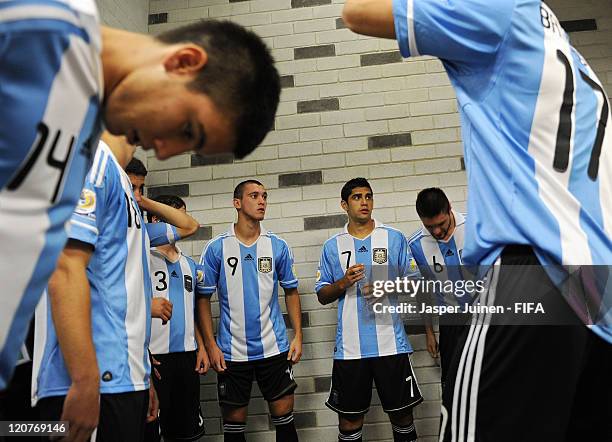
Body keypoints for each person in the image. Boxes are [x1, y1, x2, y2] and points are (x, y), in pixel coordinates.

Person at [342, 1, 612, 441]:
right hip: (599, 288)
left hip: (534, 272)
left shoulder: (501, 13)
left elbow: (356, 13)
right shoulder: (569, 56)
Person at [0, 0, 280, 393]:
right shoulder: (45, 19)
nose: (165, 151)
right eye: (188, 129)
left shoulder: (94, 143)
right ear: (184, 62)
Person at [31, 132, 199, 442]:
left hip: (126, 378)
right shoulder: (91, 162)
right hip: (91, 383)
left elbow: (189, 225)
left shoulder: (126, 199)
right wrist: (84, 381)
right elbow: (65, 268)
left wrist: (142, 376)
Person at [315, 178, 423, 442]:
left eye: (368, 196)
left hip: (390, 345)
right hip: (350, 350)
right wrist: (343, 282)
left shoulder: (393, 237)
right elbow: (321, 294)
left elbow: (416, 281)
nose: (364, 202)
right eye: (357, 197)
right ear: (344, 204)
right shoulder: (333, 245)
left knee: (402, 417)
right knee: (350, 422)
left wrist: (386, 286)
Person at [198, 180, 303, 442]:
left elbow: (291, 291)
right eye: (254, 196)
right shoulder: (216, 248)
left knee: (285, 422)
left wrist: (298, 336)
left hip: (274, 348)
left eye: (264, 196)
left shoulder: (277, 245)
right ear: (237, 203)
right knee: (234, 430)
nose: (262, 201)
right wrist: (210, 345)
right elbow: (202, 299)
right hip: (231, 352)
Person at [144, 195, 209, 442]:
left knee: (186, 432)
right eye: (176, 216)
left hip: (187, 358)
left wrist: (201, 347)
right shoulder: (142, 258)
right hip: (155, 361)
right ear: (157, 220)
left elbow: (189, 310)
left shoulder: (189, 265)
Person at [407, 188, 470, 390]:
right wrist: (429, 332)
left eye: (441, 224)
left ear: (449, 208)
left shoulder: (476, 226)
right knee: (454, 386)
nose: (436, 231)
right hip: (451, 322)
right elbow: (422, 290)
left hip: (488, 317)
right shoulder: (416, 244)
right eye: (429, 226)